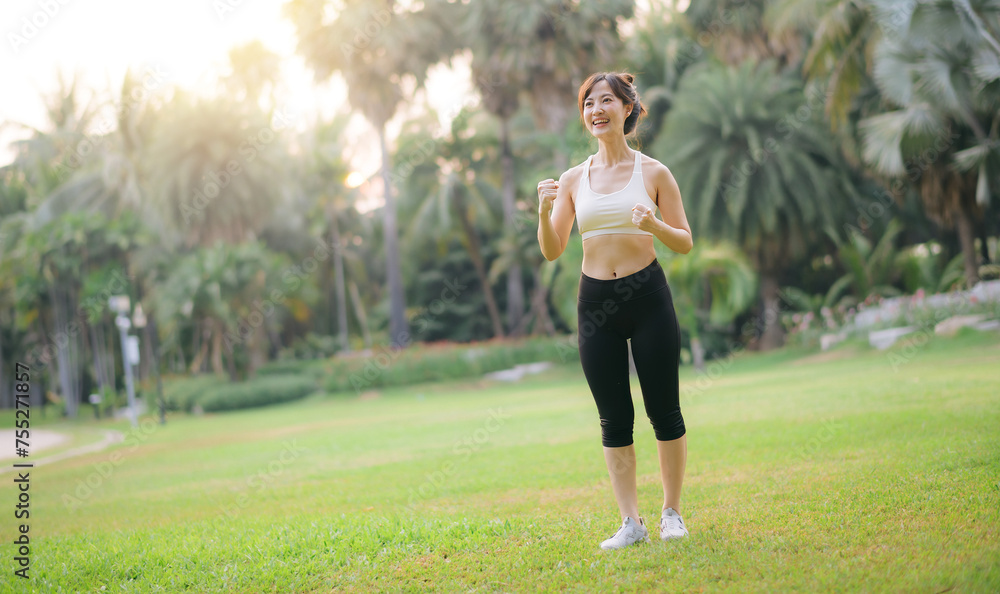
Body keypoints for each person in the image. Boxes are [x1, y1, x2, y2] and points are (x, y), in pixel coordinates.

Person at [536, 72, 693, 550]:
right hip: (596, 304)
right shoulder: (572, 179)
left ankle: (671, 514)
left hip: (648, 297)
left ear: (628, 109)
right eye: (588, 103)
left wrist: (655, 224)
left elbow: (684, 241)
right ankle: (631, 522)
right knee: (613, 417)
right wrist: (543, 213)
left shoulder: (654, 173)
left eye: (606, 100)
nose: (596, 109)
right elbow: (553, 249)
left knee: (664, 410)